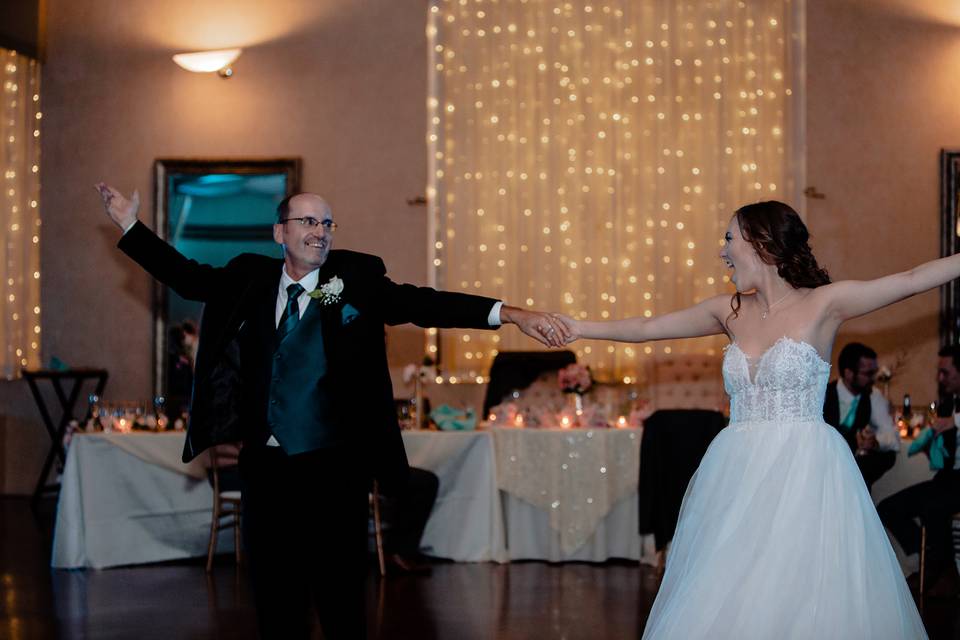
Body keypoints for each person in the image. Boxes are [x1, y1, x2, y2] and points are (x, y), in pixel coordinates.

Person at [95, 184, 570, 639]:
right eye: (307, 221)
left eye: (327, 222)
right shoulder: (248, 278)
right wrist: (130, 224)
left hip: (336, 467)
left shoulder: (356, 279)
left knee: (340, 599)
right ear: (280, 232)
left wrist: (510, 313)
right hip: (266, 466)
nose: (320, 231)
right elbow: (188, 276)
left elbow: (423, 303)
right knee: (276, 600)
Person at [556, 201, 928, 638]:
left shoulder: (826, 303)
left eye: (730, 238)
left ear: (760, 242)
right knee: (727, 587)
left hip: (804, 471)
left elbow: (910, 281)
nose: (723, 251)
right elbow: (646, 327)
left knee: (797, 590)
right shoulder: (729, 310)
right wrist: (579, 327)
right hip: (736, 470)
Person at [878, 345, 960, 598]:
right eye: (940, 372)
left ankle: (937, 571)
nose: (940, 378)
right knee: (888, 508)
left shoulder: (953, 413)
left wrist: (955, 422)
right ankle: (930, 558)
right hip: (949, 479)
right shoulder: (949, 402)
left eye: (945, 372)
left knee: (933, 508)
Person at [823, 342, 900, 492]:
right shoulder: (824, 394)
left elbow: (892, 437)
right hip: (826, 459)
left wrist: (875, 443)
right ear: (848, 373)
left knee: (886, 457)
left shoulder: (873, 396)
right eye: (868, 373)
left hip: (856, 462)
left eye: (875, 372)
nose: (874, 378)